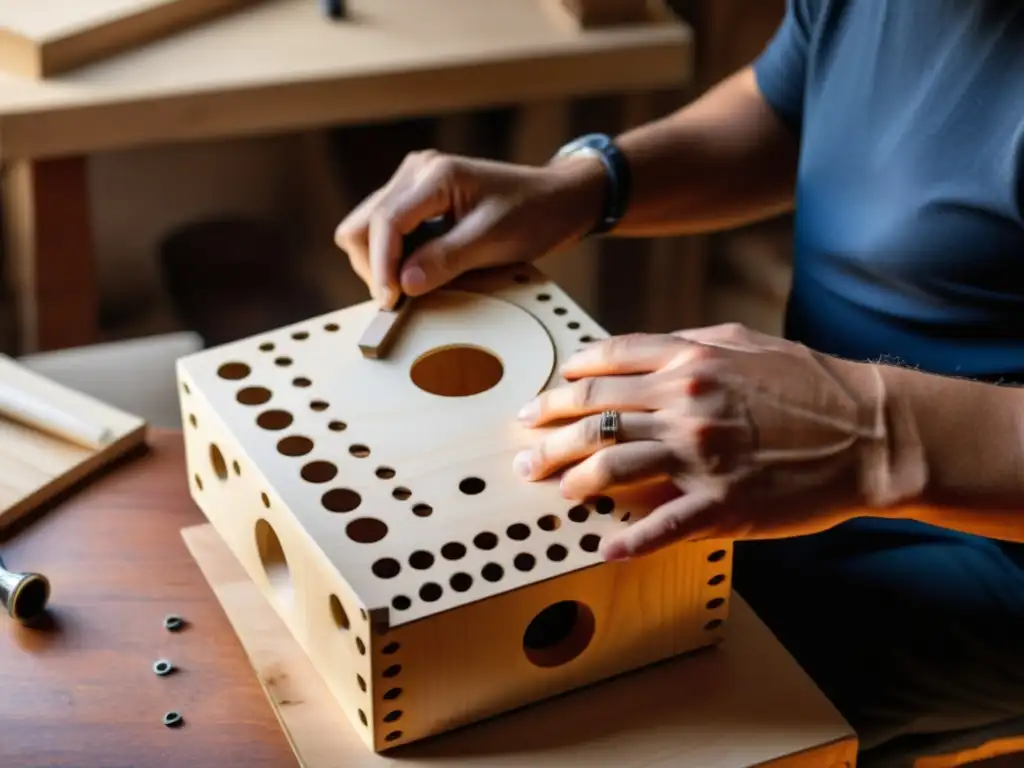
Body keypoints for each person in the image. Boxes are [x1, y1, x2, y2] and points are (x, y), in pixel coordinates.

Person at [334, 1, 1024, 764]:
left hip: (991, 548)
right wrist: (581, 185)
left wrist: (876, 432)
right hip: (822, 455)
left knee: (596, 718)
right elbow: (791, 104)